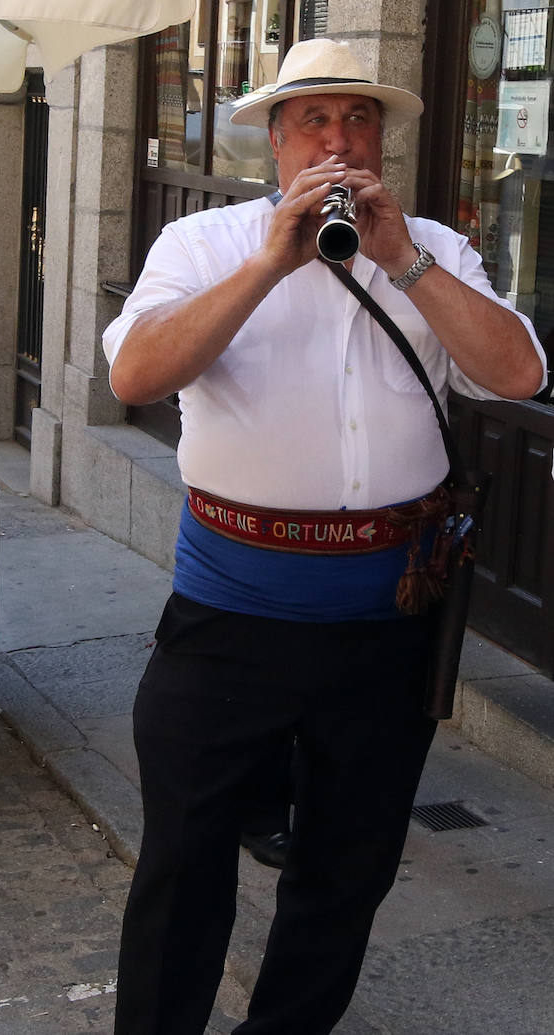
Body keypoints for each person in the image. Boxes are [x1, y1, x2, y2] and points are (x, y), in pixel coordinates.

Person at [102, 38, 546, 1035]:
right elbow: (137, 376)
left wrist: (404, 260)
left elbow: (517, 375)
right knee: (185, 862)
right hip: (226, 625)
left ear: (382, 141)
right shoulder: (207, 246)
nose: (338, 141)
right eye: (314, 121)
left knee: (348, 871)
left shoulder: (432, 247)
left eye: (358, 122)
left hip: (385, 630)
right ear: (274, 139)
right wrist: (272, 261)